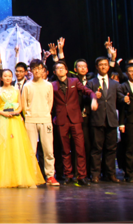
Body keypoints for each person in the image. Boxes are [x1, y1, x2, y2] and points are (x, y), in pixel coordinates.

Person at [0, 69, 45, 188]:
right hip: (2, 120)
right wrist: (3, 113)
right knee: (3, 147)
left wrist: (16, 112)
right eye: (5, 76)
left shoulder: (16, 90)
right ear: (1, 78)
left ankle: (19, 178)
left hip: (15, 121)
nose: (7, 78)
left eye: (9, 76)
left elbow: (21, 106)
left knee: (17, 147)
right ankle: (4, 178)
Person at [52, 58, 97, 186]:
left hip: (75, 119)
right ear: (54, 72)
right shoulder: (52, 85)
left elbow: (88, 91)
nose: (60, 70)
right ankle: (68, 175)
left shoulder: (74, 81)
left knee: (80, 148)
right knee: (65, 150)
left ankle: (81, 175)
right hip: (61, 119)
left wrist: (94, 99)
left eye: (62, 68)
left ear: (67, 70)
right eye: (57, 68)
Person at [86, 50, 121, 182]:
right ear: (97, 67)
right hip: (97, 119)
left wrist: (125, 99)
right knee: (96, 148)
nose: (103, 67)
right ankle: (95, 174)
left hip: (111, 119)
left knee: (111, 148)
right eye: (101, 65)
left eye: (105, 64)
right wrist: (93, 97)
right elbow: (85, 98)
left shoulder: (115, 83)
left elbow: (119, 99)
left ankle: (110, 173)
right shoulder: (91, 83)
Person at [22, 59, 58, 186]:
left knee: (48, 150)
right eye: (34, 69)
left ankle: (50, 175)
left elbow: (50, 103)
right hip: (31, 120)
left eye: (39, 68)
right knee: (31, 150)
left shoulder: (48, 85)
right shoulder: (27, 86)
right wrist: (29, 115)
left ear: (43, 70)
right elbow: (24, 104)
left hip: (45, 119)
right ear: (31, 71)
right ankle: (31, 176)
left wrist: (45, 114)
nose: (37, 71)